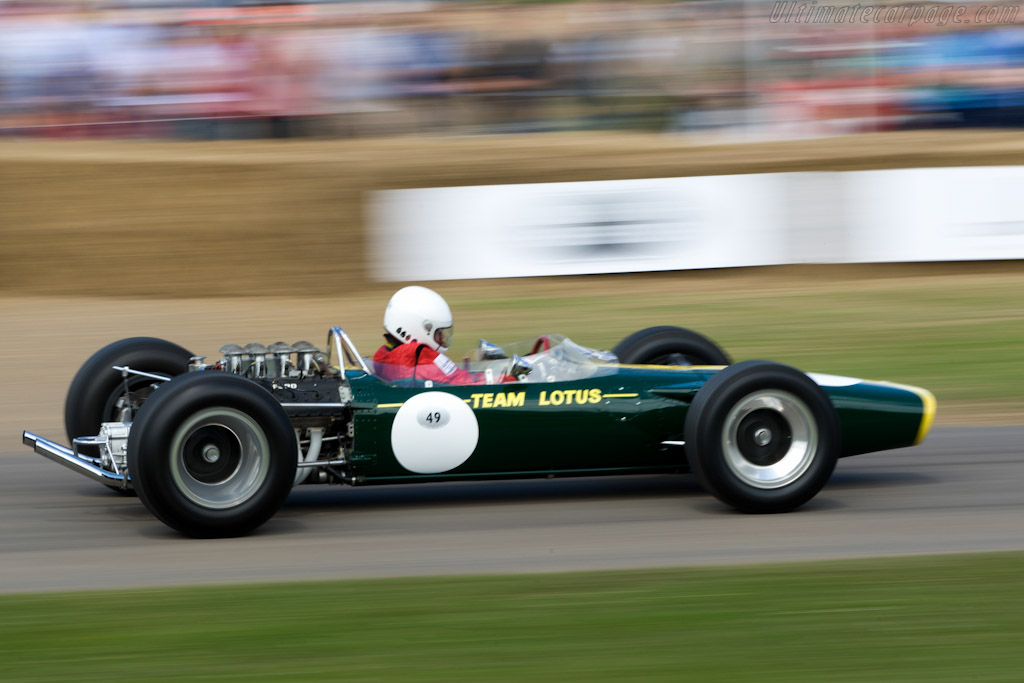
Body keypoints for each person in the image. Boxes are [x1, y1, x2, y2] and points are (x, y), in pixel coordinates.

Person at [372, 286, 526, 385]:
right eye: (439, 334)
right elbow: (461, 382)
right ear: (418, 328)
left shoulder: (387, 356)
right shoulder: (420, 357)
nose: (442, 339)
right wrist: (508, 378)